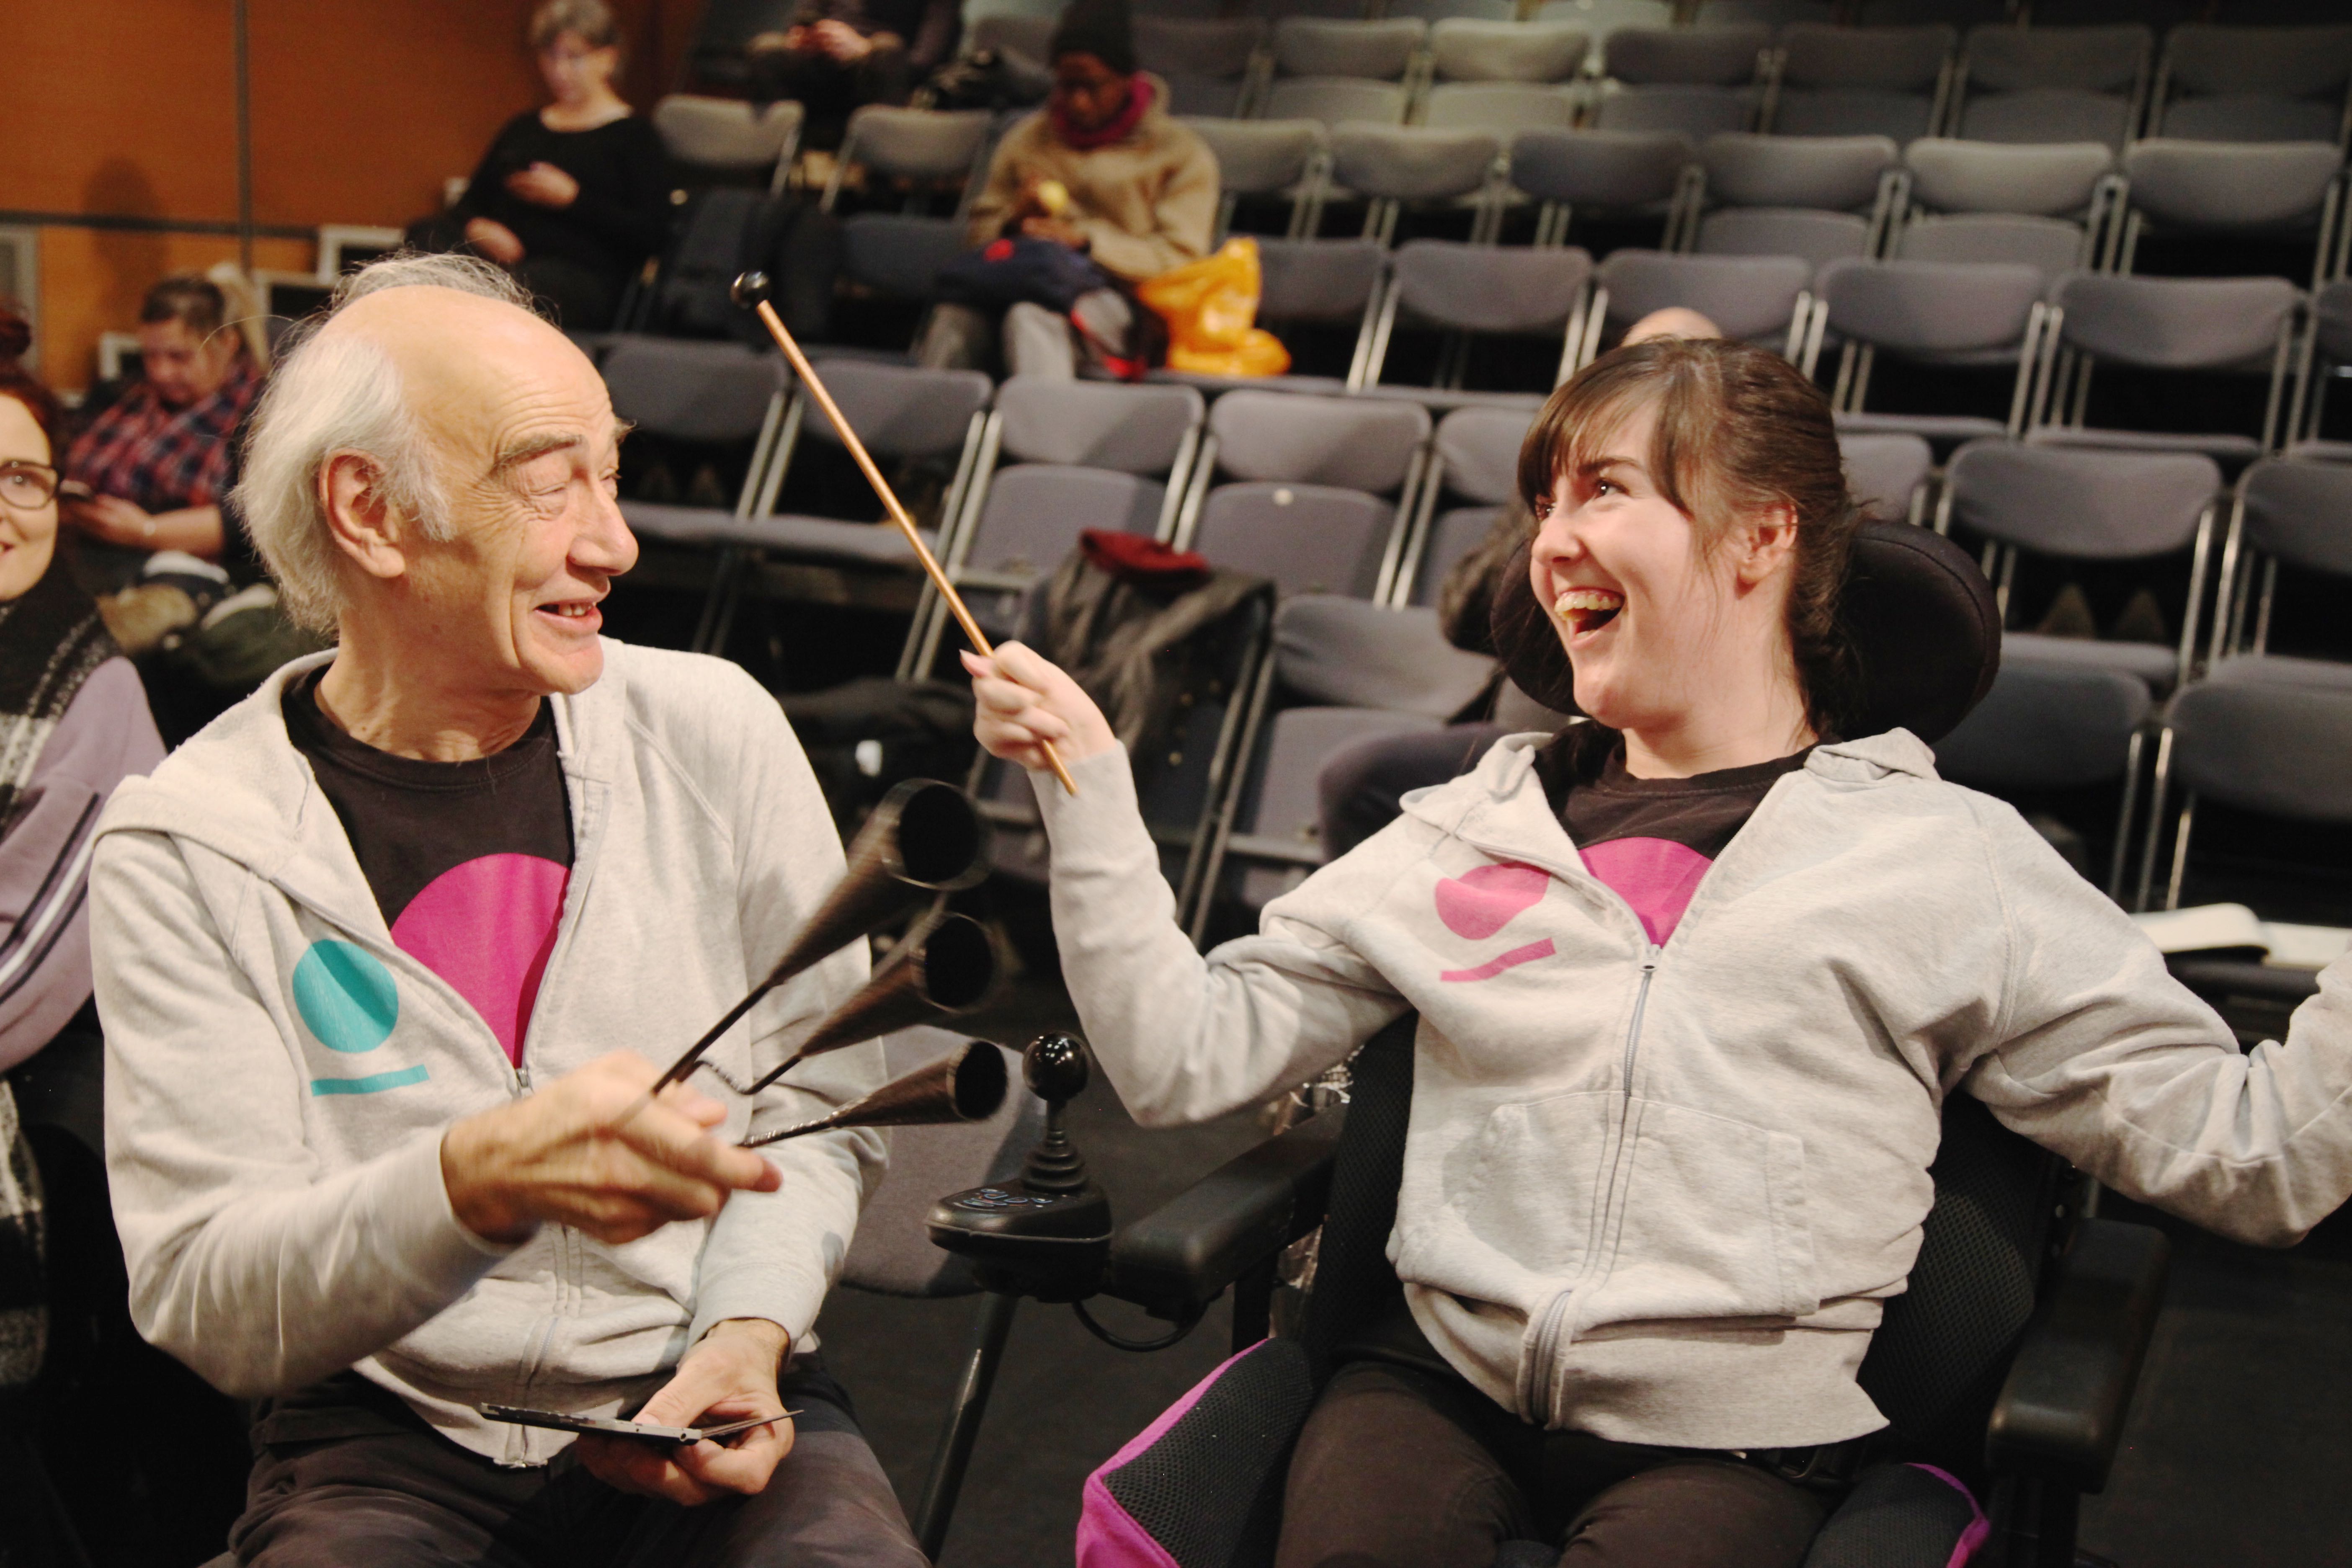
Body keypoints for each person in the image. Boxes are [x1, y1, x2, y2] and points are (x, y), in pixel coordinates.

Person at [964, 335, 2352, 1568]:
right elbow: (1178, 1058)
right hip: (1427, 1386)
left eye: (1605, 491)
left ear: (1760, 537)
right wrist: (1085, 783)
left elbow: (2260, 1158)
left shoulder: (1949, 861)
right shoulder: (1462, 827)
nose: (1551, 541)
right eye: (1544, 503)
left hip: (1741, 1443)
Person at [88, 252, 923, 1568]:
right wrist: (468, 1186)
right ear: (370, 513)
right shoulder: (189, 844)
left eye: (612, 475)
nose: (615, 542)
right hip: (389, 1436)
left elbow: (820, 1110)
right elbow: (206, 1293)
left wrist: (746, 1332)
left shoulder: (716, 733)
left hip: (711, 1380)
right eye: (548, 483)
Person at [1315, 306, 1726, 857]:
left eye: (1683, 365)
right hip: (1527, 737)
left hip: (1654, 753)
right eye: (1640, 365)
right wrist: (1555, 512)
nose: (1657, 384)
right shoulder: (1562, 482)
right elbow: (1462, 615)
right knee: (1357, 779)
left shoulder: (1726, 501)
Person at [0, 308, 168, 1373]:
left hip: (44, 1114)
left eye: (23, 479)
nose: (3, 510)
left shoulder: (90, 694)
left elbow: (15, 980)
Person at [918, 0, 1217, 379]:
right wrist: (1014, 221)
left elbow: (1182, 259)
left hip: (1123, 306)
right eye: (1066, 85)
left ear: (1126, 78)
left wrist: (1087, 242)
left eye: (1092, 86)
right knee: (956, 316)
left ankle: (1040, 419)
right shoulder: (1027, 139)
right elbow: (976, 239)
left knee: (1031, 318)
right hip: (1023, 280)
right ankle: (928, 414)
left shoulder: (1178, 152)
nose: (1078, 101)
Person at [411, 0, 668, 330]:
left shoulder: (635, 137)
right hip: (500, 260)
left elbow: (651, 233)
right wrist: (479, 228)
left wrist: (574, 200)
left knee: (528, 284)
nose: (560, 71)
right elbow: (468, 205)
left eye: (574, 57)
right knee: (426, 234)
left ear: (608, 57)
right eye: (551, 56)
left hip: (577, 276)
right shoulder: (524, 128)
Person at [62, 274, 262, 581]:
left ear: (227, 344)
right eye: (150, 356)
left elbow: (250, 522)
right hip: (90, 554)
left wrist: (147, 531)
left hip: (192, 571)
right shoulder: (118, 395)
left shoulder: (259, 413)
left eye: (179, 357)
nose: (161, 372)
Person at [744, 0, 961, 152]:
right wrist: (805, 39)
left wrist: (863, 49)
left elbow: (925, 60)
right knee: (767, 49)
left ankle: (879, 184)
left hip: (878, 77)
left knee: (887, 48)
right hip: (820, 67)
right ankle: (772, 173)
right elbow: (804, 19)